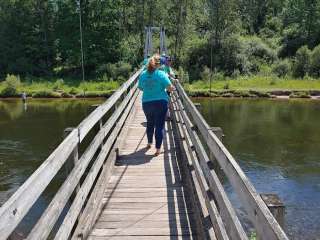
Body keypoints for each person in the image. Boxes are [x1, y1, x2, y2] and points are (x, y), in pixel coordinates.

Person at [138, 54, 174, 156]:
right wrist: (170, 88)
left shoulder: (143, 75)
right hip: (161, 103)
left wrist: (149, 89)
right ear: (159, 65)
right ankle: (158, 149)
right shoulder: (161, 74)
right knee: (159, 126)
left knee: (150, 123)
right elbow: (169, 88)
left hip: (147, 103)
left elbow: (140, 88)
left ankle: (149, 143)